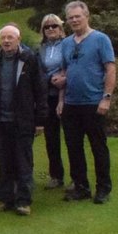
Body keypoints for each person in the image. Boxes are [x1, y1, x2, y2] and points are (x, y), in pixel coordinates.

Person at [0, 24, 46, 216]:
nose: (6, 41)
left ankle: (23, 201)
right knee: (4, 162)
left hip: (23, 122)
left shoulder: (29, 60)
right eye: (3, 38)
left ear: (18, 39)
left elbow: (40, 90)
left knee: (23, 162)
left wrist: (40, 120)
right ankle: (4, 198)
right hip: (0, 122)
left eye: (10, 37)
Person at [59, 0, 117, 204]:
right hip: (71, 103)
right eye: (70, 17)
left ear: (87, 16)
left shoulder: (101, 39)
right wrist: (61, 99)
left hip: (94, 102)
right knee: (74, 148)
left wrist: (106, 98)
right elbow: (66, 72)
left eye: (77, 16)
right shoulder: (65, 43)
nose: (74, 20)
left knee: (98, 147)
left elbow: (110, 69)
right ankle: (81, 187)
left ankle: (103, 189)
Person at [38, 13, 69, 189]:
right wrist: (51, 78)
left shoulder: (68, 44)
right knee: (51, 138)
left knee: (72, 138)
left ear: (60, 27)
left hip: (67, 95)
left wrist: (63, 78)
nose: (50, 29)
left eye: (54, 26)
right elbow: (39, 71)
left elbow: (71, 66)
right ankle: (56, 176)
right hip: (48, 96)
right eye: (47, 27)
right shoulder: (40, 48)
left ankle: (76, 178)